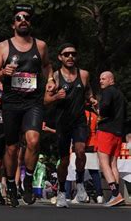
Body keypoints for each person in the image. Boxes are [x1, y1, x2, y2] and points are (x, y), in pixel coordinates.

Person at [0, 4, 55, 207]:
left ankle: (27, 179)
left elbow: (46, 65)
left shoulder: (40, 46)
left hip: (33, 101)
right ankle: (10, 184)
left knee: (33, 141)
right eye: (18, 17)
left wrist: (50, 79)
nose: (23, 20)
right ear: (13, 24)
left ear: (30, 22)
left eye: (26, 17)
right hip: (11, 101)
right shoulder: (3, 46)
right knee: (11, 148)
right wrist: (3, 73)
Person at [44, 43, 97, 207]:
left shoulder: (84, 74)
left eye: (73, 54)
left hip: (79, 121)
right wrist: (56, 97)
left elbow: (88, 92)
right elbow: (45, 100)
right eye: (66, 54)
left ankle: (80, 183)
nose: (70, 57)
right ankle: (61, 191)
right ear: (60, 57)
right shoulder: (56, 77)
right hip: (62, 123)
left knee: (81, 152)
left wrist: (92, 100)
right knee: (64, 160)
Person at [96, 71, 127, 207]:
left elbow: (105, 107)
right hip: (119, 131)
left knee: (103, 162)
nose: (101, 81)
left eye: (103, 79)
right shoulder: (120, 95)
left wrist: (100, 112)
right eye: (100, 79)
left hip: (107, 130)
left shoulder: (108, 92)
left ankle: (115, 194)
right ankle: (117, 196)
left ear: (110, 80)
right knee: (113, 164)